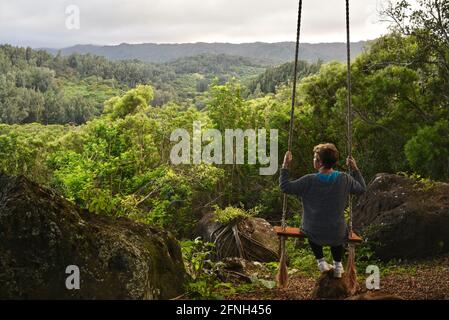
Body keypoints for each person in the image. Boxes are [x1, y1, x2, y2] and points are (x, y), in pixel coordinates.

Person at [279, 143, 366, 278]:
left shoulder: (309, 180)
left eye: (315, 158)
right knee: (338, 233)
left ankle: (320, 261)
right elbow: (361, 189)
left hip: (313, 230)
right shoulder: (345, 178)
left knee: (309, 229)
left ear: (319, 162)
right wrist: (355, 168)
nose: (313, 160)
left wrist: (285, 165)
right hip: (337, 231)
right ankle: (338, 265)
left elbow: (285, 187)